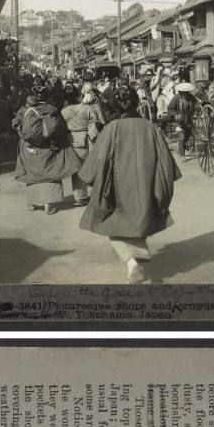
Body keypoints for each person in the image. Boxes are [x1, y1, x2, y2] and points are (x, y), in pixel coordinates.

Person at [77, 90, 181, 284]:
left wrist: (89, 179)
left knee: (115, 224)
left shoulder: (112, 128)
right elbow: (166, 163)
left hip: (117, 192)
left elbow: (97, 162)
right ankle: (135, 263)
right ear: (135, 104)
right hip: (145, 187)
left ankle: (133, 264)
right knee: (137, 223)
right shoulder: (149, 127)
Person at [13, 90, 80, 215]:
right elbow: (61, 128)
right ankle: (48, 205)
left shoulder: (23, 112)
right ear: (38, 101)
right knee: (50, 172)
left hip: (29, 149)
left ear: (27, 103)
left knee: (31, 174)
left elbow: (16, 125)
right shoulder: (49, 110)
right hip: (47, 148)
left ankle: (31, 203)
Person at [61, 90, 102, 205]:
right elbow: (94, 125)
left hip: (70, 140)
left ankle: (78, 196)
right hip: (84, 140)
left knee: (76, 169)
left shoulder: (65, 110)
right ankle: (88, 194)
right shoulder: (88, 109)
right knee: (87, 167)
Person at [167, 82, 199, 160]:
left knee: (187, 136)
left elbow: (196, 105)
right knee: (182, 136)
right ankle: (182, 155)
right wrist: (175, 115)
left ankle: (180, 149)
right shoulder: (176, 98)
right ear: (180, 92)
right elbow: (170, 108)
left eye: (186, 92)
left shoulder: (191, 97)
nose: (185, 94)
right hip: (178, 121)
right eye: (183, 93)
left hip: (188, 120)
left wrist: (198, 107)